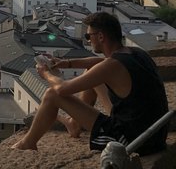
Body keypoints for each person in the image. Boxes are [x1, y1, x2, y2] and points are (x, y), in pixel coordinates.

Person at [12, 12, 168, 154]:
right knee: (91, 72)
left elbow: (62, 89)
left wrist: (46, 73)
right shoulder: (136, 53)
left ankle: (28, 143)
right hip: (154, 135)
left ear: (100, 37)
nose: (87, 40)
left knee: (52, 94)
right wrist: (66, 63)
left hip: (132, 142)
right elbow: (99, 63)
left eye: (88, 36)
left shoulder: (112, 66)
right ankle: (74, 124)